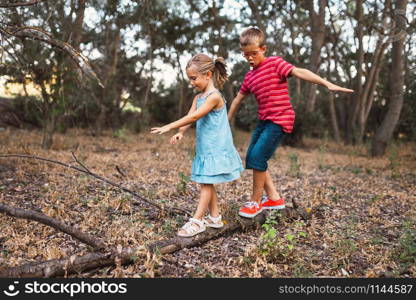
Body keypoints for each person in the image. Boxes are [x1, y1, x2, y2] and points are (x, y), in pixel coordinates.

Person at [228, 27, 354, 218]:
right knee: (253, 157)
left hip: (280, 119)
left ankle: (255, 202)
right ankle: (274, 199)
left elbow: (299, 71)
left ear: (263, 48)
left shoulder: (275, 63)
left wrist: (326, 83)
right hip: (264, 120)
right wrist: (226, 120)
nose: (250, 58)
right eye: (246, 55)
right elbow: (238, 99)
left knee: (258, 157)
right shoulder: (249, 76)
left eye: (254, 53)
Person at [151, 54, 244, 237]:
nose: (192, 83)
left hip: (215, 148)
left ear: (208, 75)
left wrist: (169, 126)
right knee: (206, 181)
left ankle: (197, 220)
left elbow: (195, 117)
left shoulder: (214, 97)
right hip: (204, 148)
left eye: (194, 78)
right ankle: (215, 218)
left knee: (206, 183)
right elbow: (190, 116)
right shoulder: (198, 98)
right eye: (190, 79)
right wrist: (181, 132)